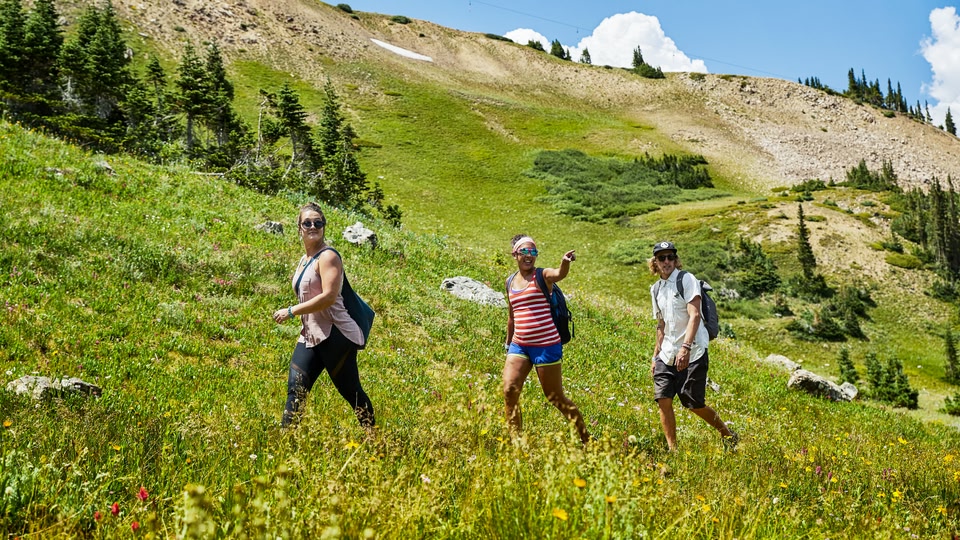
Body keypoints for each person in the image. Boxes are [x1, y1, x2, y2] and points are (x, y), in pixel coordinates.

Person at [272, 202, 375, 429]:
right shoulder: (304, 260)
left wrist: (291, 311)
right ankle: (284, 441)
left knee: (351, 392)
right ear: (299, 228)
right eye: (307, 223)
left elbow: (329, 297)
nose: (312, 226)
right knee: (296, 389)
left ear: (324, 227)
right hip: (310, 336)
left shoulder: (328, 257)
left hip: (336, 335)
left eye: (318, 223)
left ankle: (375, 438)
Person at [649, 240, 737, 452]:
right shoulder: (655, 289)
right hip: (668, 352)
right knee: (663, 399)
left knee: (693, 402)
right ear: (655, 263)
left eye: (671, 257)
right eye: (662, 258)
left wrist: (685, 348)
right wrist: (655, 356)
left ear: (676, 260)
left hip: (693, 349)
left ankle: (727, 434)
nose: (667, 261)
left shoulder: (686, 279)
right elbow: (661, 325)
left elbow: (695, 314)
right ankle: (673, 450)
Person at [503, 234, 590, 444]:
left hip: (546, 345)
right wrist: (508, 344)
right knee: (509, 390)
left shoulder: (542, 276)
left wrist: (564, 263)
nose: (529, 255)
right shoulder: (509, 282)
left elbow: (559, 273)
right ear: (515, 254)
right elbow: (512, 315)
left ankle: (585, 437)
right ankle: (516, 442)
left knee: (555, 397)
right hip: (519, 345)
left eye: (533, 252)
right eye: (525, 251)